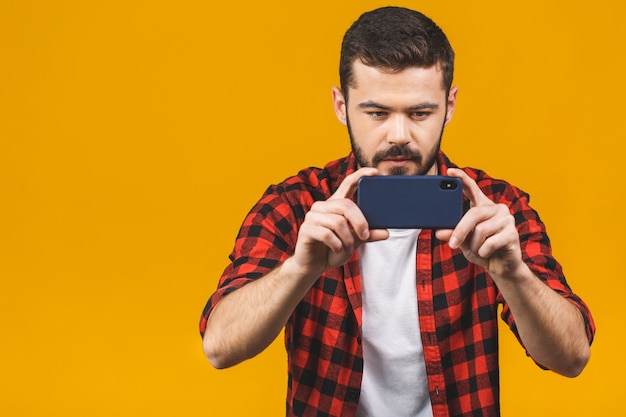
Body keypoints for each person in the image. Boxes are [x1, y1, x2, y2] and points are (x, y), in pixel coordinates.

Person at [199, 6, 595, 417]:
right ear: (340, 106)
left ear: (450, 104)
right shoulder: (297, 204)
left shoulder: (492, 207)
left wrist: (514, 275)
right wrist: (301, 268)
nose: (399, 135)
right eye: (377, 113)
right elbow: (220, 347)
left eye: (420, 113)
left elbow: (571, 358)